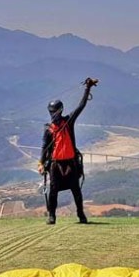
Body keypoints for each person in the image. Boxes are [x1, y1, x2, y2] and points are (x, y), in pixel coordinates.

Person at [39, 78, 98, 224]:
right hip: (55, 165)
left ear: (60, 110)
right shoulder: (48, 129)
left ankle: (81, 215)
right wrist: (41, 162)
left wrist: (87, 89)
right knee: (53, 192)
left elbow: (81, 106)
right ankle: (52, 216)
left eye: (55, 111)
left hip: (70, 164)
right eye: (51, 111)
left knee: (76, 191)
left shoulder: (68, 122)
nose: (53, 114)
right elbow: (44, 147)